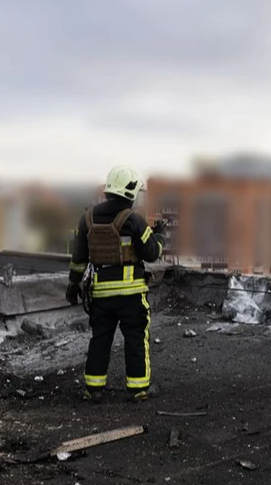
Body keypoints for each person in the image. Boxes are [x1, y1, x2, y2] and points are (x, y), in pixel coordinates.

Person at [66, 165, 166, 403]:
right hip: (131, 295)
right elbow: (151, 253)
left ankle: (94, 389)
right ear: (131, 192)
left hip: (100, 294)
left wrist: (73, 284)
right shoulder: (133, 220)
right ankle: (139, 388)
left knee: (100, 338)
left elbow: (78, 257)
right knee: (135, 338)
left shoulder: (87, 218)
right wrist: (159, 236)